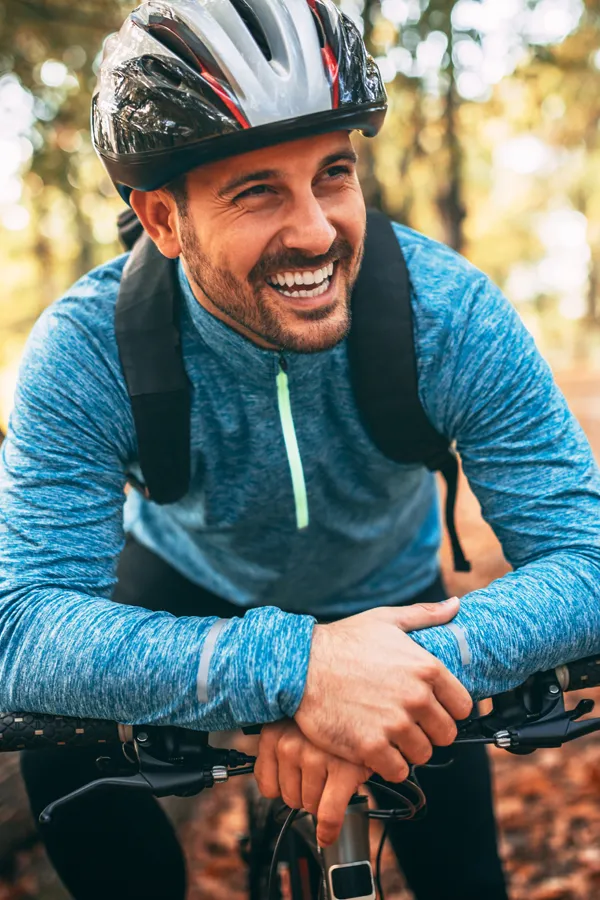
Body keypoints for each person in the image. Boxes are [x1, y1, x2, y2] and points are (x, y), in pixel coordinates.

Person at [1, 0, 600, 898]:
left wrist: (397, 676)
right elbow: (21, 627)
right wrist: (294, 673)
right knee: (65, 770)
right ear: (163, 220)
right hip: (191, 587)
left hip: (399, 608)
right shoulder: (88, 350)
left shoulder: (451, 315)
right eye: (256, 191)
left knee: (466, 877)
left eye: (333, 174)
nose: (318, 230)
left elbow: (587, 556)